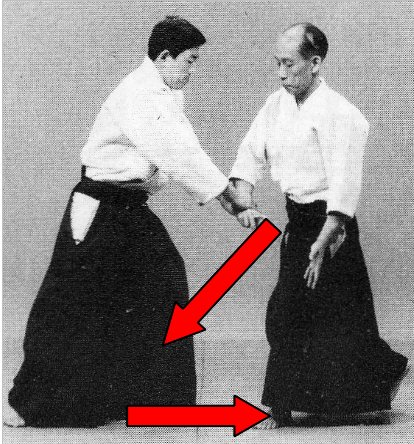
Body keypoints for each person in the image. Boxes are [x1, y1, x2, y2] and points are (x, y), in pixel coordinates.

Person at [6, 16, 250, 428]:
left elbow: (186, 147)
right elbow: (176, 153)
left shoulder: (167, 94)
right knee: (71, 299)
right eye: (189, 61)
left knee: (163, 279)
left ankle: (155, 399)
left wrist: (229, 197)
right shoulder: (137, 93)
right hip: (99, 205)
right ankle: (29, 402)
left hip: (130, 208)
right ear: (165, 56)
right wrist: (228, 196)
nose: (192, 71)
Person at [230, 22, 409, 428]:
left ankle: (281, 405)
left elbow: (345, 182)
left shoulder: (340, 113)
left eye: (289, 64)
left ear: (314, 63)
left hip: (332, 226)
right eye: (277, 63)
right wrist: (244, 196)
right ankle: (384, 369)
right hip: (299, 220)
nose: (281, 73)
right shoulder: (276, 105)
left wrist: (326, 237)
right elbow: (250, 153)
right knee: (312, 316)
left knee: (317, 316)